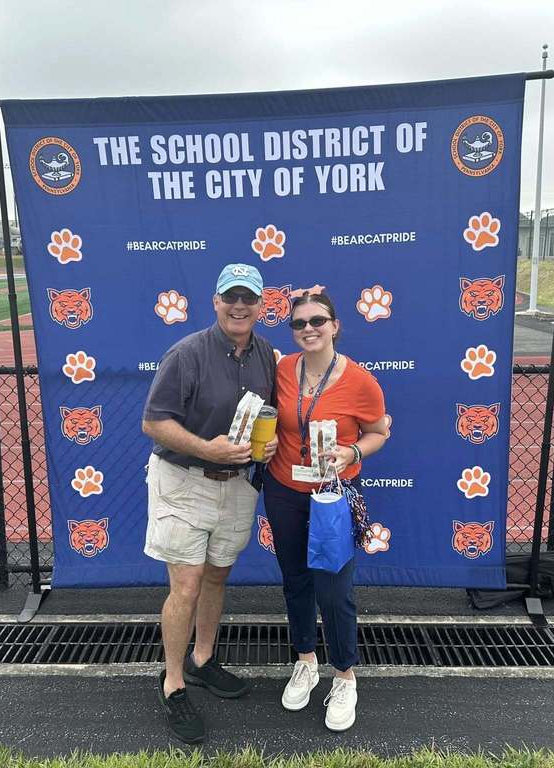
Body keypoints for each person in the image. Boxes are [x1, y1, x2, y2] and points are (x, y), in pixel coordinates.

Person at [141, 263, 278, 744]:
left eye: (249, 298)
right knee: (187, 582)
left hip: (238, 483)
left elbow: (268, 417)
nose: (240, 306)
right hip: (183, 478)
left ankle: (202, 659)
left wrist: (269, 444)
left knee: (218, 573)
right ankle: (173, 682)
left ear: (262, 304)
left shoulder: (267, 354)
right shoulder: (187, 353)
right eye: (230, 297)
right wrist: (208, 449)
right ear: (215, 301)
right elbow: (154, 423)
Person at [263, 290, 388, 732]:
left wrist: (352, 450)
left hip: (331, 499)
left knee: (335, 592)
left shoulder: (359, 381)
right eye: (300, 323)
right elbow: (271, 419)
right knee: (296, 583)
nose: (309, 329)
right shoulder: (281, 369)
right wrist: (268, 439)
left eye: (318, 320)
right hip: (283, 491)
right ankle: (304, 661)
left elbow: (378, 432)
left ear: (335, 325)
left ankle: (344, 676)